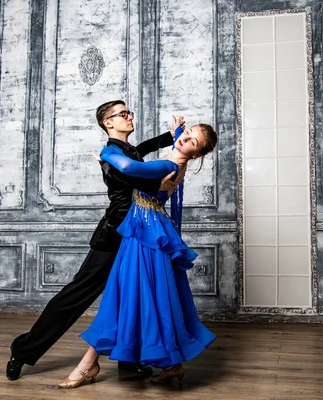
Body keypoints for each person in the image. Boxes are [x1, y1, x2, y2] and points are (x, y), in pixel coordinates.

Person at [6, 100, 183, 381]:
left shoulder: (127, 150)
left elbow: (143, 149)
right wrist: (163, 178)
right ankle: (23, 351)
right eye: (122, 114)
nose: (129, 116)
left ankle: (127, 360)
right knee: (75, 296)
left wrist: (171, 137)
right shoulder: (111, 154)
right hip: (115, 234)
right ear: (107, 123)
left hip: (138, 232)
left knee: (134, 296)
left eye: (129, 112)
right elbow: (131, 178)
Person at [57, 122, 218, 389]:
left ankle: (88, 364)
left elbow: (131, 167)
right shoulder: (178, 164)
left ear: (197, 154)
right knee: (145, 297)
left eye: (192, 142)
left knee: (125, 295)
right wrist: (176, 134)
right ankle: (171, 364)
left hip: (145, 234)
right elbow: (158, 155)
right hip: (148, 228)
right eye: (187, 133)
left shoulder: (169, 166)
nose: (185, 140)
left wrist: (106, 154)